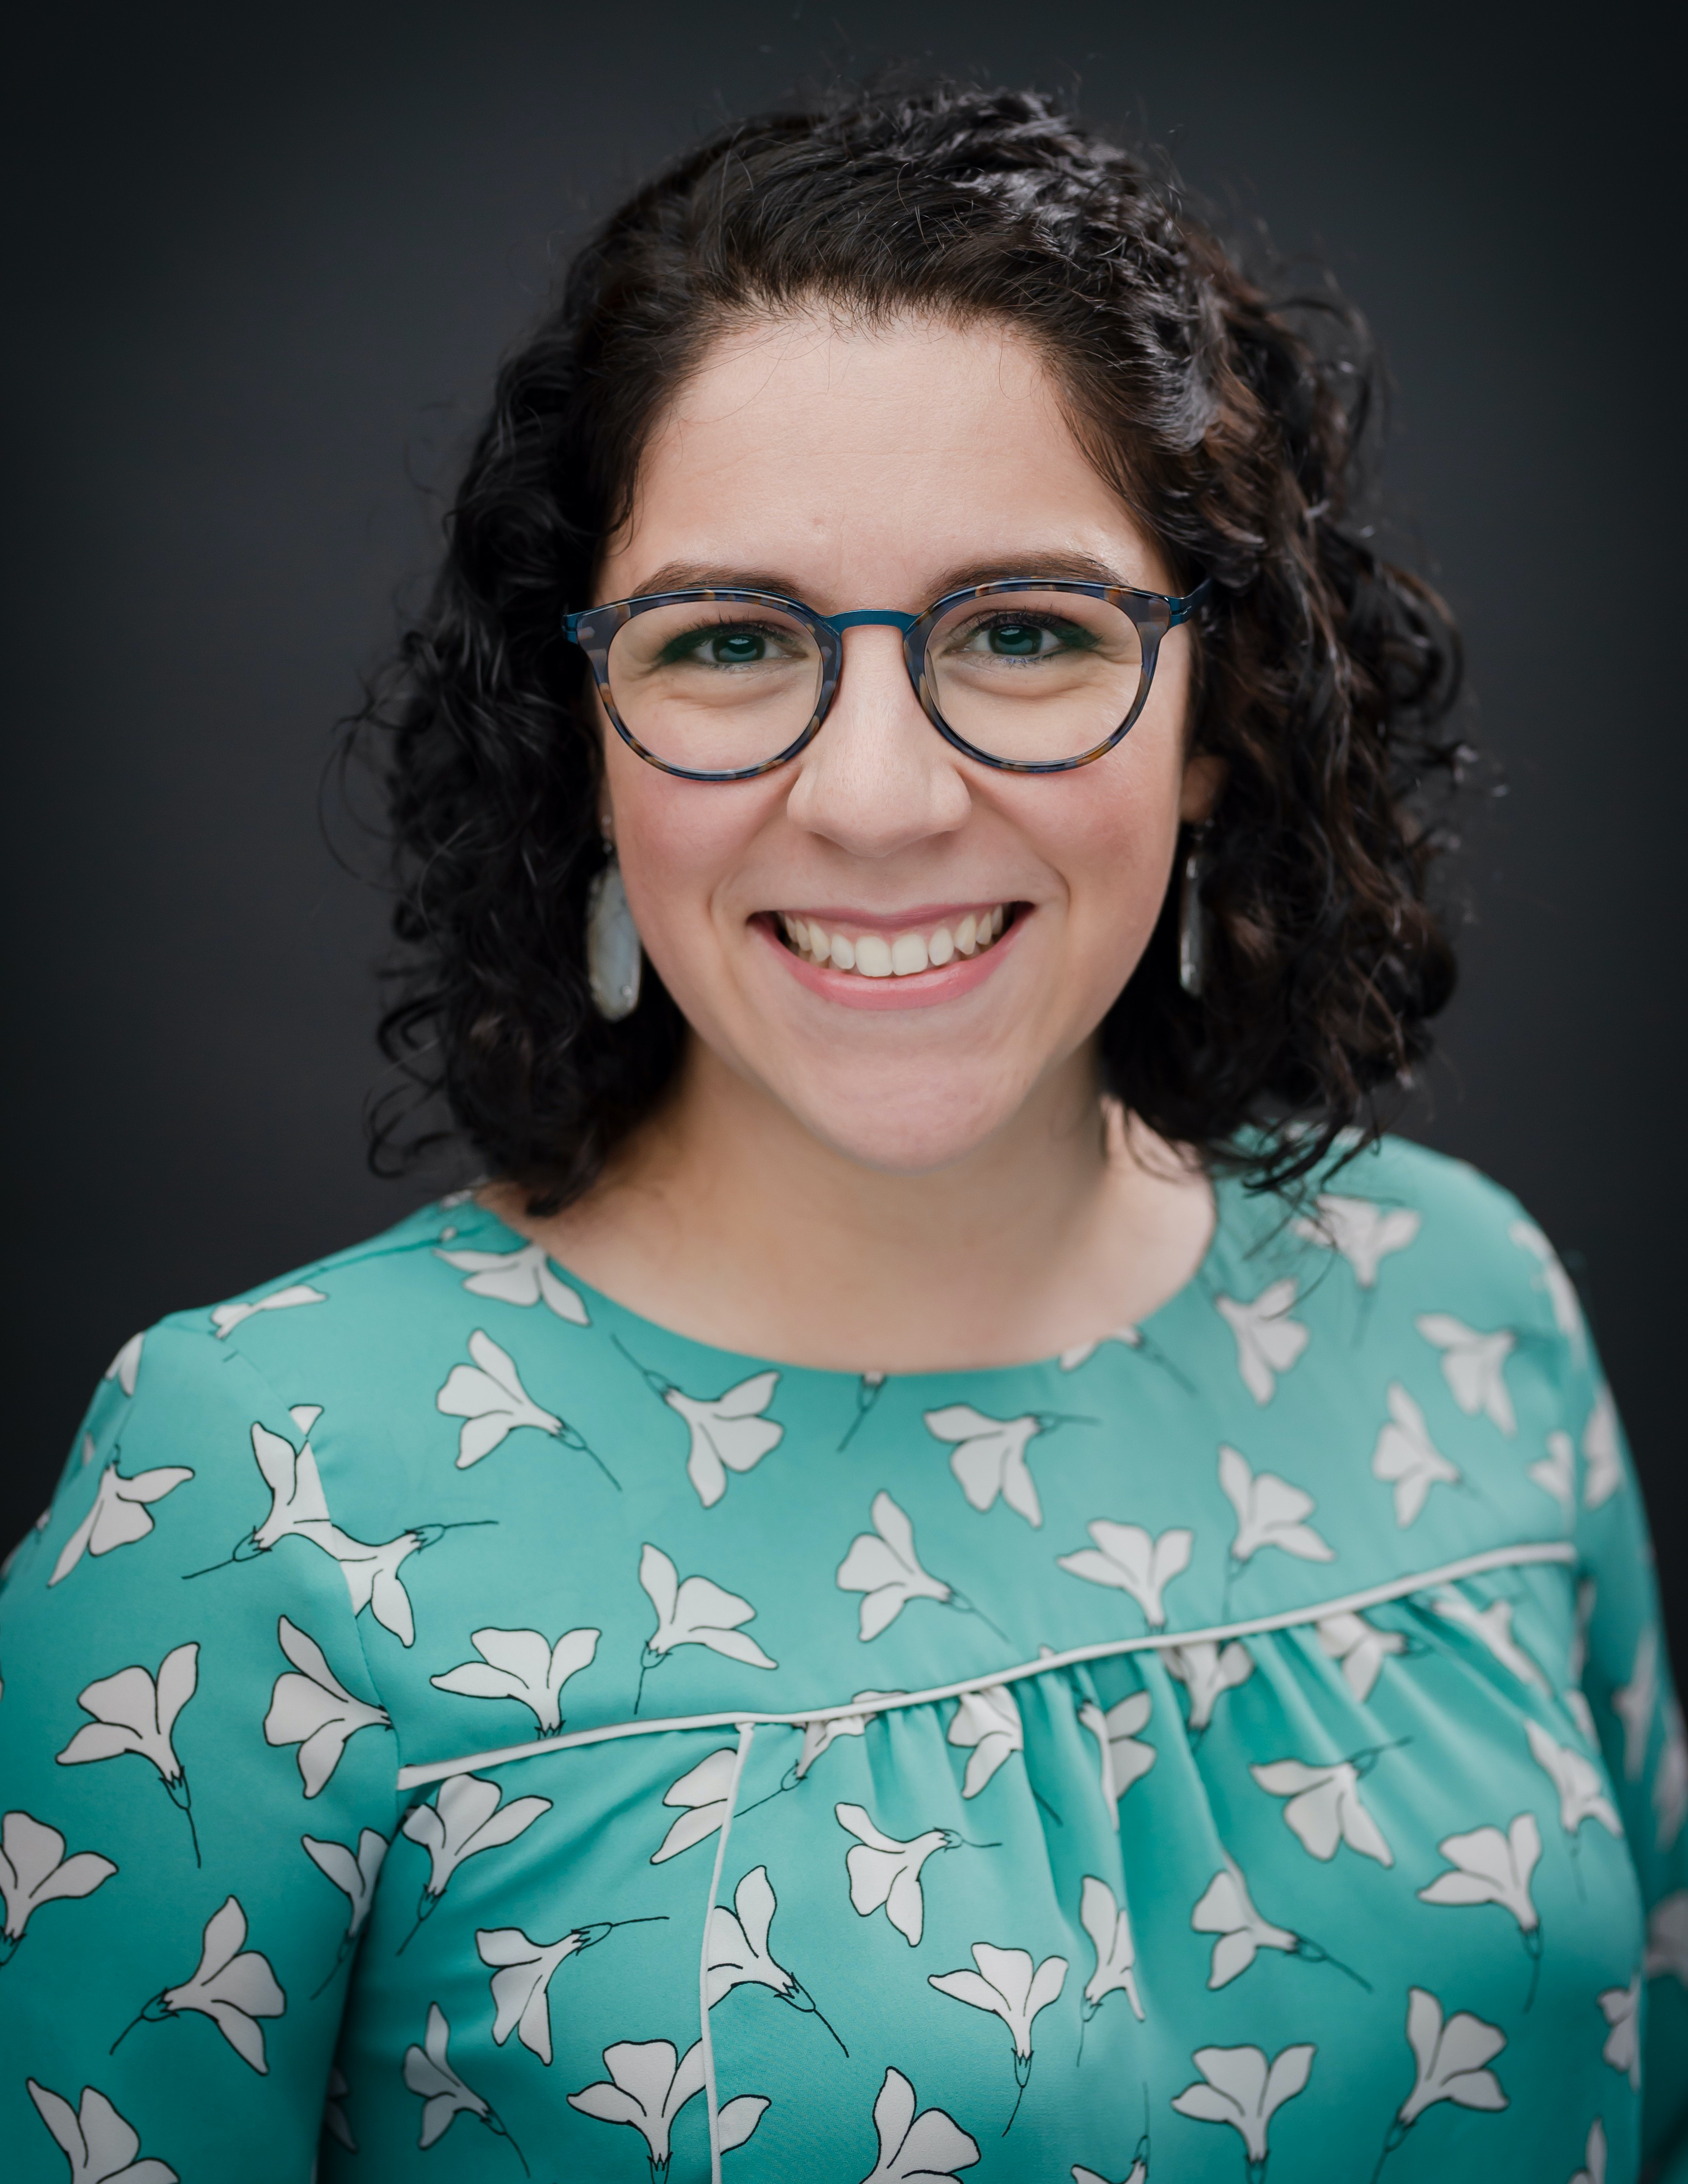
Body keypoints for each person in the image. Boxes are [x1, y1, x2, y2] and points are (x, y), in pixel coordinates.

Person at [2, 80, 1681, 2184]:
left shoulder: (1463, 1311)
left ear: (1216, 722)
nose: (876, 797)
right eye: (729, 643)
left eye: (1025, 632)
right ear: (580, 739)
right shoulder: (250, 1503)